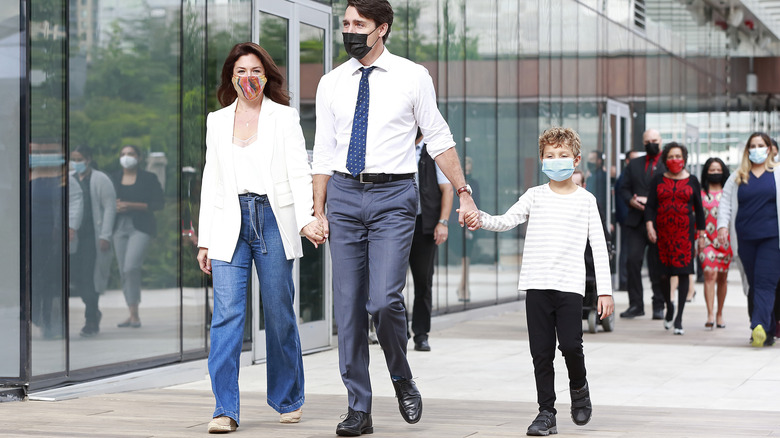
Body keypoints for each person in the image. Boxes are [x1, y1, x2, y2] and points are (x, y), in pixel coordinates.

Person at [311, 1, 478, 435]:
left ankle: (401, 375)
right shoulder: (330, 83)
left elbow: (439, 137)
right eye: (345, 23)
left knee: (384, 300)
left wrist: (463, 192)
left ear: (381, 29)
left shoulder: (412, 76)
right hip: (344, 196)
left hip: (393, 196)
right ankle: (359, 409)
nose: (349, 31)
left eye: (359, 25)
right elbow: (324, 152)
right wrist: (317, 210)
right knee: (347, 308)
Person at [196, 42, 325, 434]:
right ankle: (224, 409)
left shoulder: (283, 118)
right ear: (230, 78)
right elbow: (210, 181)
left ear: (266, 75)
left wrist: (306, 219)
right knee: (227, 316)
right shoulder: (216, 121)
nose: (248, 78)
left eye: (255, 71)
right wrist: (205, 239)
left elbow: (299, 171)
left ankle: (288, 399)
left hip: (272, 218)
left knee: (279, 312)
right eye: (240, 71)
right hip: (228, 223)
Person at [463, 127, 613, 436]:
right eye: (549, 156)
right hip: (537, 284)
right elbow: (506, 220)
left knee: (571, 346)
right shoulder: (535, 196)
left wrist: (606, 292)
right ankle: (546, 412)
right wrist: (479, 217)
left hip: (570, 286)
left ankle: (579, 386)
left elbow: (599, 246)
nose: (556, 161)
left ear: (576, 160)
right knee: (541, 352)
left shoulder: (586, 200)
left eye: (563, 155)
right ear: (542, 159)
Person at [717, 132, 780, 347]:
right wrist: (723, 227)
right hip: (745, 238)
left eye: (761, 145)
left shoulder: (778, 173)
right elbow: (725, 203)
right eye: (752, 145)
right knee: (753, 284)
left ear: (770, 148)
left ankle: (758, 325)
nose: (756, 149)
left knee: (765, 282)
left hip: (772, 238)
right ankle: (767, 329)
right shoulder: (738, 176)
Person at [644, 142, 705, 335]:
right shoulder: (658, 179)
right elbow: (650, 206)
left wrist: (701, 234)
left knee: (684, 272)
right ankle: (668, 306)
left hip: (684, 234)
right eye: (670, 157)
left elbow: (700, 210)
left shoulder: (693, 180)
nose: (674, 160)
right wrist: (649, 225)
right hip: (662, 233)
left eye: (678, 156)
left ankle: (678, 318)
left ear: (684, 159)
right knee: (662, 274)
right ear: (665, 160)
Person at [30, 139, 83, 339]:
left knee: (52, 283)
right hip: (33, 238)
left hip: (55, 238)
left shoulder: (65, 178)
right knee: (36, 280)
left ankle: (51, 324)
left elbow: (76, 202)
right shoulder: (31, 175)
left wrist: (70, 226)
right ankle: (37, 317)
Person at [408, 128, 453, 352]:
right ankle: (397, 329)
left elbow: (447, 189)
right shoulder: (395, 148)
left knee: (423, 282)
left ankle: (421, 334)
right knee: (389, 281)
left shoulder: (433, 151)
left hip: (424, 224)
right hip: (395, 223)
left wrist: (442, 222)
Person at [111, 144, 164, 328]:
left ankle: (134, 313)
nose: (127, 157)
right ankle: (132, 313)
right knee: (123, 271)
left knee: (131, 267)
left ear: (139, 158)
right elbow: (107, 202)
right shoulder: (114, 178)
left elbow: (158, 204)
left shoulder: (148, 178)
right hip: (118, 227)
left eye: (131, 154)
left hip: (140, 227)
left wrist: (131, 205)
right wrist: (115, 206)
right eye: (123, 153)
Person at [618, 129, 667, 319]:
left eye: (654, 140)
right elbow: (623, 188)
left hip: (659, 222)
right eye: (647, 141)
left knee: (657, 265)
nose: (651, 143)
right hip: (636, 221)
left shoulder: (667, 164)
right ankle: (636, 304)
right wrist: (631, 200)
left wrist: (652, 202)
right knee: (632, 261)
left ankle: (659, 305)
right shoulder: (635, 164)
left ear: (660, 141)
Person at [69, 146, 116, 337]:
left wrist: (105, 235)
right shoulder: (70, 178)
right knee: (77, 278)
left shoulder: (100, 179)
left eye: (79, 158)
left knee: (90, 278)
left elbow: (110, 209)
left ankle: (91, 319)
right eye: (73, 159)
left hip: (92, 237)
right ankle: (92, 311)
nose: (76, 162)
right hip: (74, 237)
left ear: (88, 159)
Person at [699, 157, 732, 329]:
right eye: (711, 170)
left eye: (718, 170)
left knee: (722, 277)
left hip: (725, 240)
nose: (715, 173)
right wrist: (699, 236)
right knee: (709, 273)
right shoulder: (700, 192)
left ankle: (720, 313)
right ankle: (710, 313)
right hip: (705, 240)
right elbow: (696, 216)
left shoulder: (729, 192)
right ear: (706, 172)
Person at [457, 155, 480, 302]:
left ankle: (464, 287)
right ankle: (461, 287)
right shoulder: (455, 182)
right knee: (461, 256)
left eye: (469, 163)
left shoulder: (474, 183)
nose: (467, 165)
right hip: (456, 223)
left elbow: (477, 203)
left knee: (467, 257)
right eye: (464, 163)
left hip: (470, 222)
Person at [586, 150, 607, 222]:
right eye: (589, 159)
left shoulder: (601, 176)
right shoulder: (591, 175)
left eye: (592, 159)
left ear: (599, 161)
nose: (590, 162)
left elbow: (601, 199)